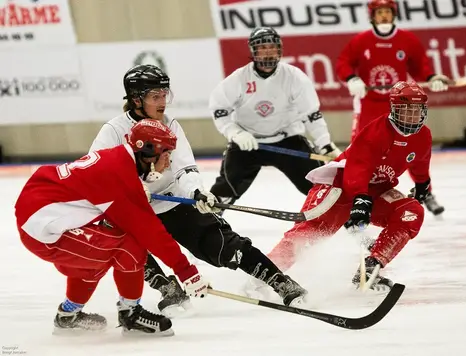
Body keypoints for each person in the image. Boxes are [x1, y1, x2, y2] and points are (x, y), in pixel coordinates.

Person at [89, 64, 308, 314]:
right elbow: (97, 174)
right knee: (123, 244)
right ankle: (167, 288)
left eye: (164, 95)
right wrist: (133, 189)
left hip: (173, 200)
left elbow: (185, 168)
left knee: (226, 245)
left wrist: (196, 192)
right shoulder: (114, 131)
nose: (163, 102)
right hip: (135, 209)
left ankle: (281, 282)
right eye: (155, 97)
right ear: (136, 99)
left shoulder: (170, 124)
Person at [15, 119, 210, 336]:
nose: (169, 161)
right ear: (147, 151)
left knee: (99, 254)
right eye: (166, 153)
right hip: (40, 226)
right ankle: (131, 315)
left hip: (37, 212)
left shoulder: (118, 161)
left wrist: (134, 192)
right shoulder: (119, 174)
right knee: (129, 247)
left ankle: (68, 315)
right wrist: (187, 272)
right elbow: (149, 231)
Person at [266, 81, 435, 291]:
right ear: (394, 109)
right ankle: (261, 275)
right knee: (308, 236)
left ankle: (370, 269)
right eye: (406, 110)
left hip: (376, 191)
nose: (412, 116)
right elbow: (358, 168)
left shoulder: (423, 135)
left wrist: (422, 184)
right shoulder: (375, 131)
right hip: (340, 186)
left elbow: (420, 162)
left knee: (411, 212)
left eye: (416, 110)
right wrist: (360, 198)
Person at [208, 27, 342, 207]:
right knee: (225, 190)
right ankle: (206, 223)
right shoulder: (238, 79)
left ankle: (349, 220)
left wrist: (324, 144)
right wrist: (236, 133)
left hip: (287, 141)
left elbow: (311, 114)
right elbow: (219, 110)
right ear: (254, 51)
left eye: (272, 47)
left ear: (279, 50)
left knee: (318, 186)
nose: (268, 53)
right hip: (248, 143)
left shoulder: (294, 77)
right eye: (262, 48)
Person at [335, 0, 447, 215]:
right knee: (359, 152)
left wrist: (432, 77)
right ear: (372, 16)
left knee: (412, 150)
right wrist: (351, 78)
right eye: (380, 13)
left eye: (388, 12)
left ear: (394, 14)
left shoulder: (407, 39)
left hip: (400, 106)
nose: (384, 16)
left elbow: (420, 66)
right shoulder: (361, 40)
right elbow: (344, 62)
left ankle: (426, 191)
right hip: (369, 104)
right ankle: (355, 197)